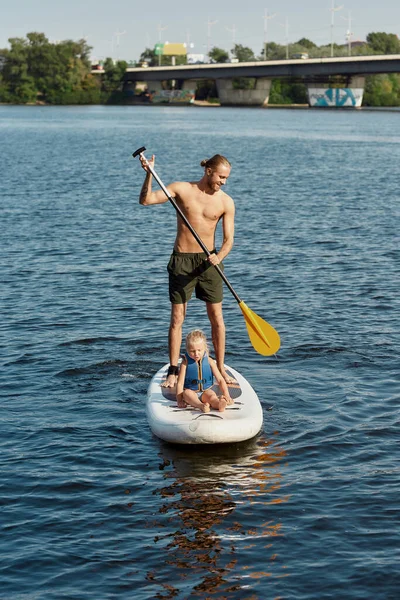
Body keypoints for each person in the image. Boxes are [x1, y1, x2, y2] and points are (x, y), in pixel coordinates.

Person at [139, 152, 236, 388]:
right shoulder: (181, 189)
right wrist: (149, 175)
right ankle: (173, 369)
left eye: (226, 178)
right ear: (208, 171)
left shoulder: (226, 201)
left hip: (210, 262)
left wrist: (219, 256)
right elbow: (146, 200)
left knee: (217, 319)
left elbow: (229, 240)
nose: (223, 182)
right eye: (221, 177)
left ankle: (220, 368)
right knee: (177, 318)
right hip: (182, 260)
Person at [176, 329, 233, 412]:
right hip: (191, 392)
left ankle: (219, 404)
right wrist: (179, 400)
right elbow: (180, 383)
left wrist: (227, 395)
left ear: (204, 349)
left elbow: (220, 380)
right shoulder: (185, 363)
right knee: (187, 393)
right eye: (192, 351)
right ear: (187, 350)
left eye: (199, 350)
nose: (196, 354)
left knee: (212, 396)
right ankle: (201, 406)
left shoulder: (209, 361)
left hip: (205, 391)